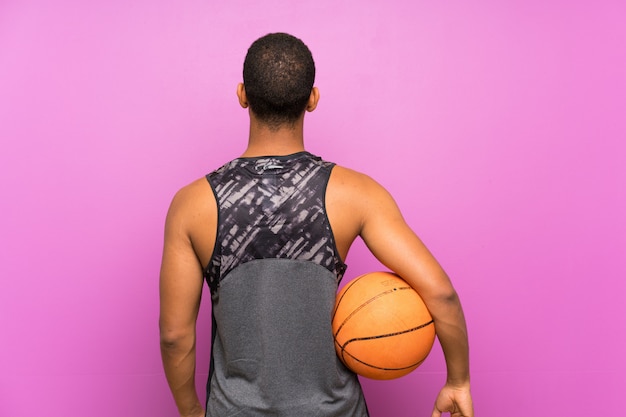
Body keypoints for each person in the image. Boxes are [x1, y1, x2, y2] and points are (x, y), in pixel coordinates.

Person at [159, 32, 474, 417]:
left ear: (242, 95)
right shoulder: (356, 193)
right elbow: (440, 293)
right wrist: (458, 381)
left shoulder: (192, 204)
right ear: (312, 98)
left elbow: (175, 337)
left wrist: (191, 411)